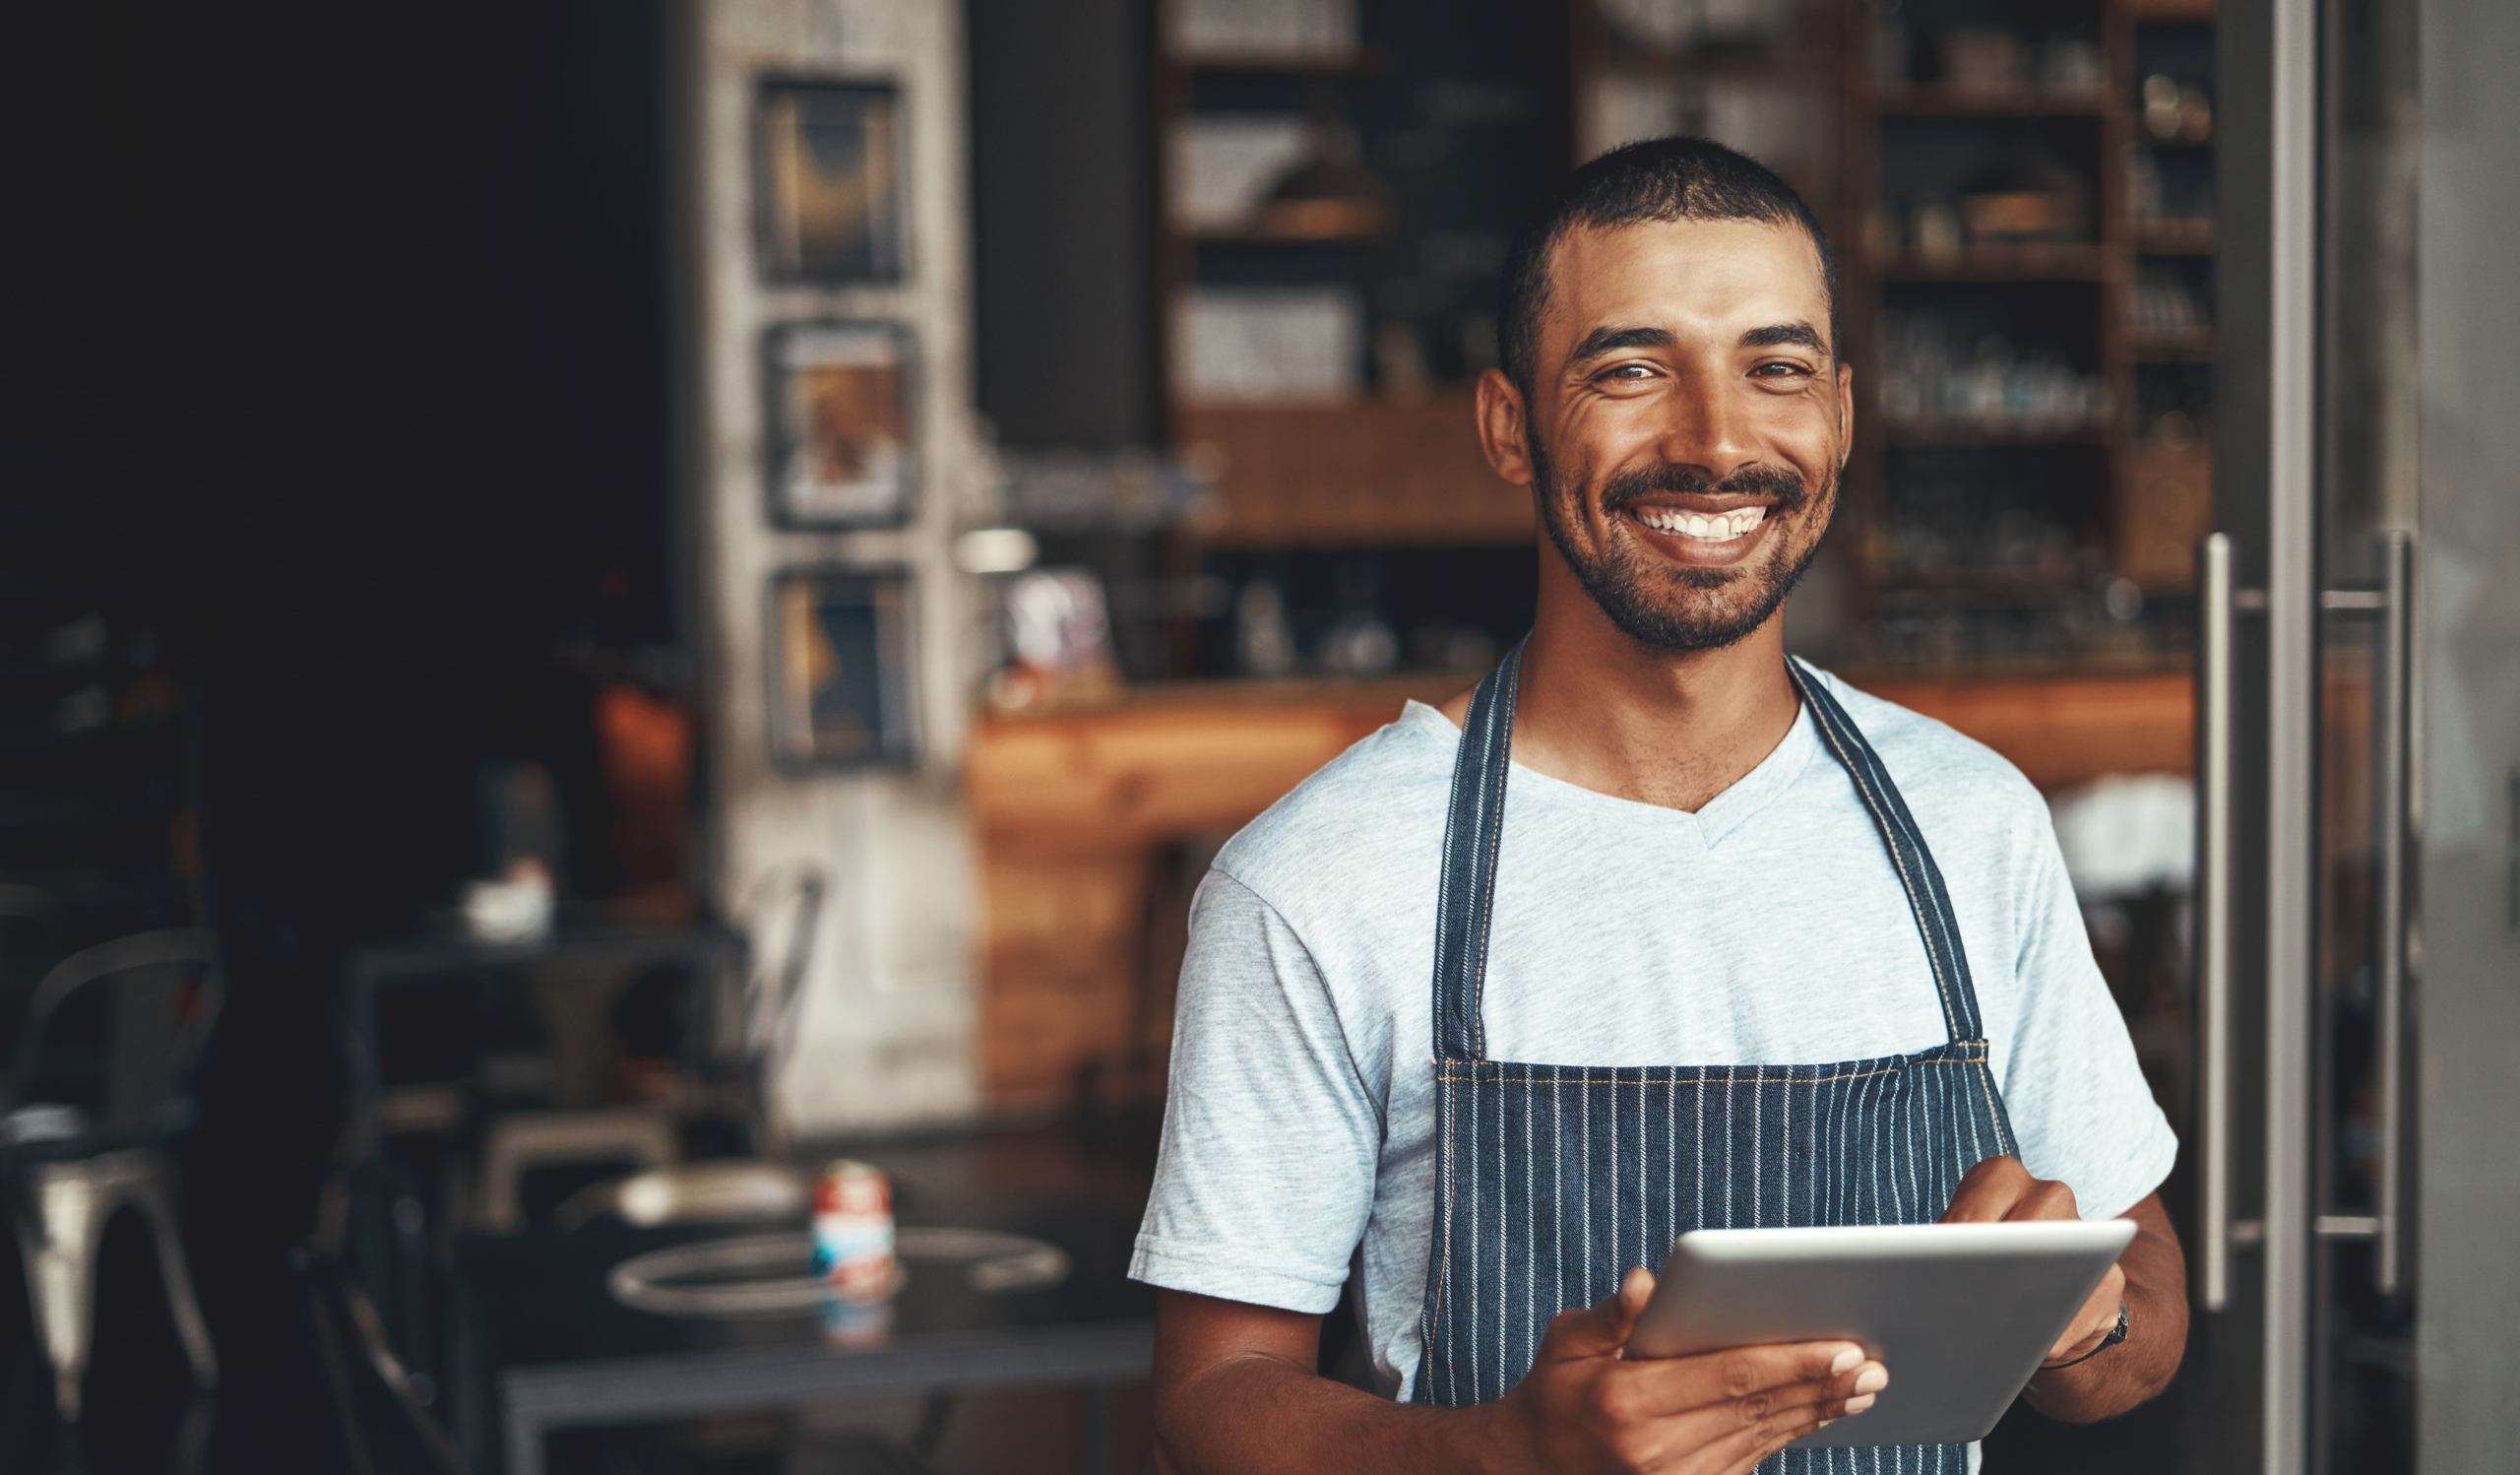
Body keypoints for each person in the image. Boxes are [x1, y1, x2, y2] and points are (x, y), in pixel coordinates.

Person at [1130, 138, 2186, 1475]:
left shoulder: (1973, 823)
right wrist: (1512, 1449)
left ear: (1843, 416)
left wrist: (2081, 1318)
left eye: (1778, 367)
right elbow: (1213, 1395)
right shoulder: (1320, 877)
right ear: (1509, 424)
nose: (1717, 440)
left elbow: (2144, 1319)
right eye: (1631, 368)